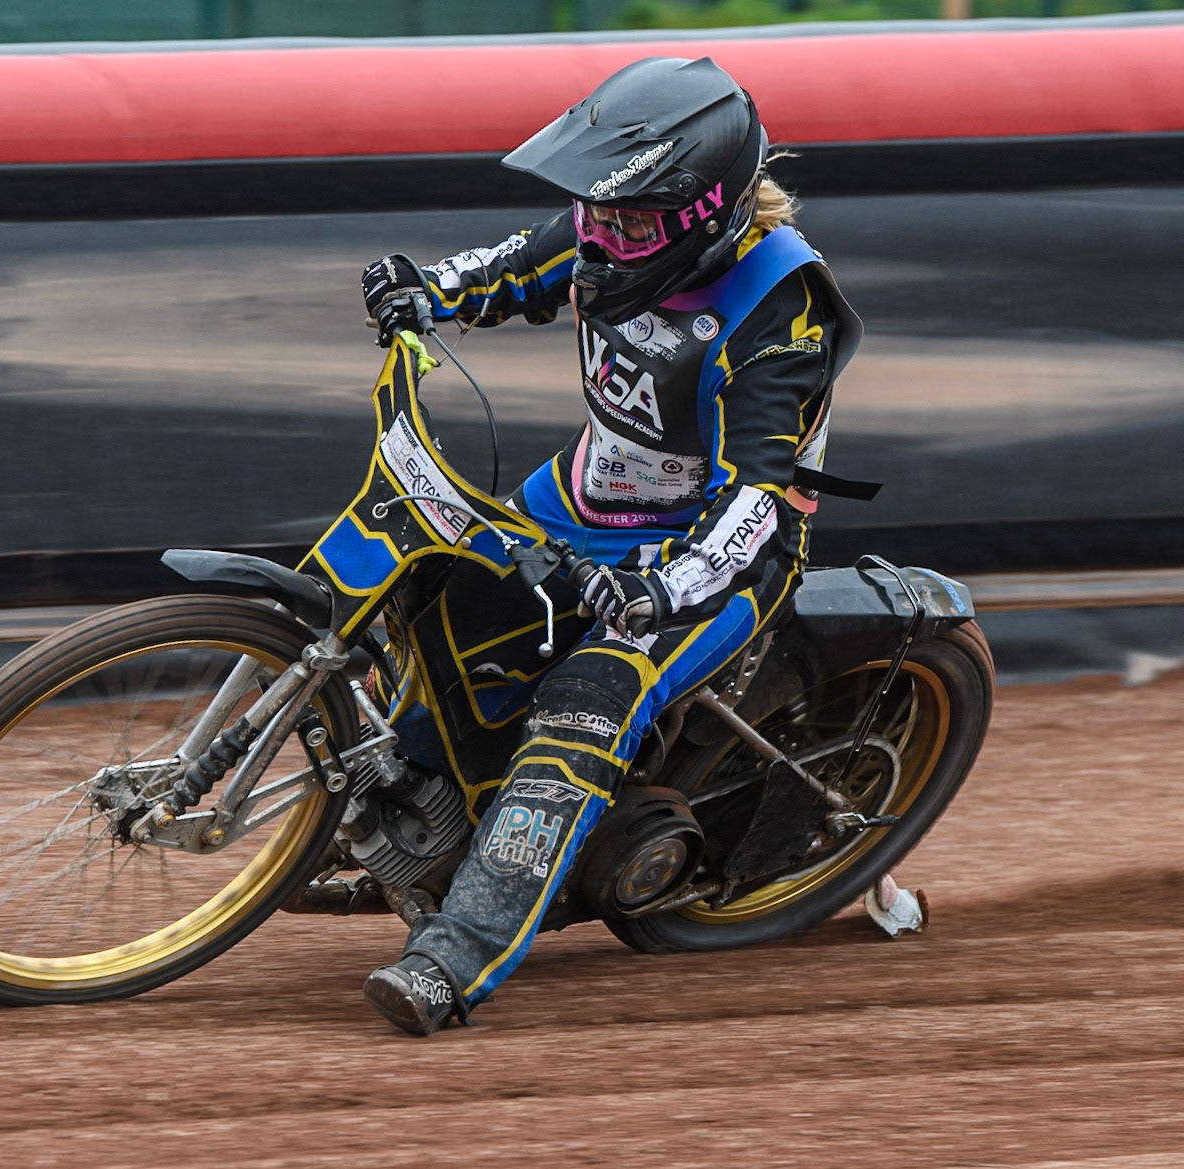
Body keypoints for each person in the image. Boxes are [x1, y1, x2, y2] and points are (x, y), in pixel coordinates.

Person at [357, 56, 864, 1035]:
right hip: (583, 495)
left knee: (589, 694)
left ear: (705, 212)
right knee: (428, 585)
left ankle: (458, 955)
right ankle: (432, 799)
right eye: (596, 212)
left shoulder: (779, 308)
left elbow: (759, 497)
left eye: (629, 221)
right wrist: (424, 288)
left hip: (716, 555)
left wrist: (664, 592)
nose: (601, 234)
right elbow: (510, 268)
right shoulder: (615, 229)